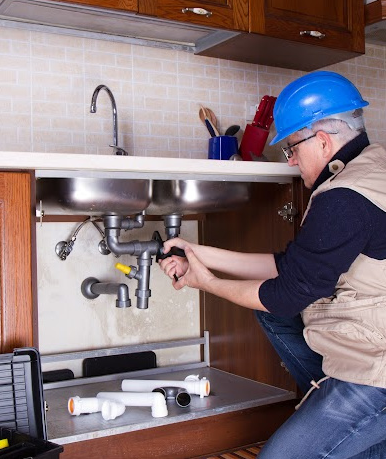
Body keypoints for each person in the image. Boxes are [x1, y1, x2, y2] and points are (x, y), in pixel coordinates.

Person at [159, 71, 386, 459]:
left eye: (292, 148)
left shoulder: (345, 198)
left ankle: (347, 416)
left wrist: (203, 281)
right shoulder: (371, 169)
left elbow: (286, 294)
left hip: (378, 370)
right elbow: (291, 267)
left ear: (323, 140)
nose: (292, 160)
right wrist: (199, 252)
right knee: (274, 314)